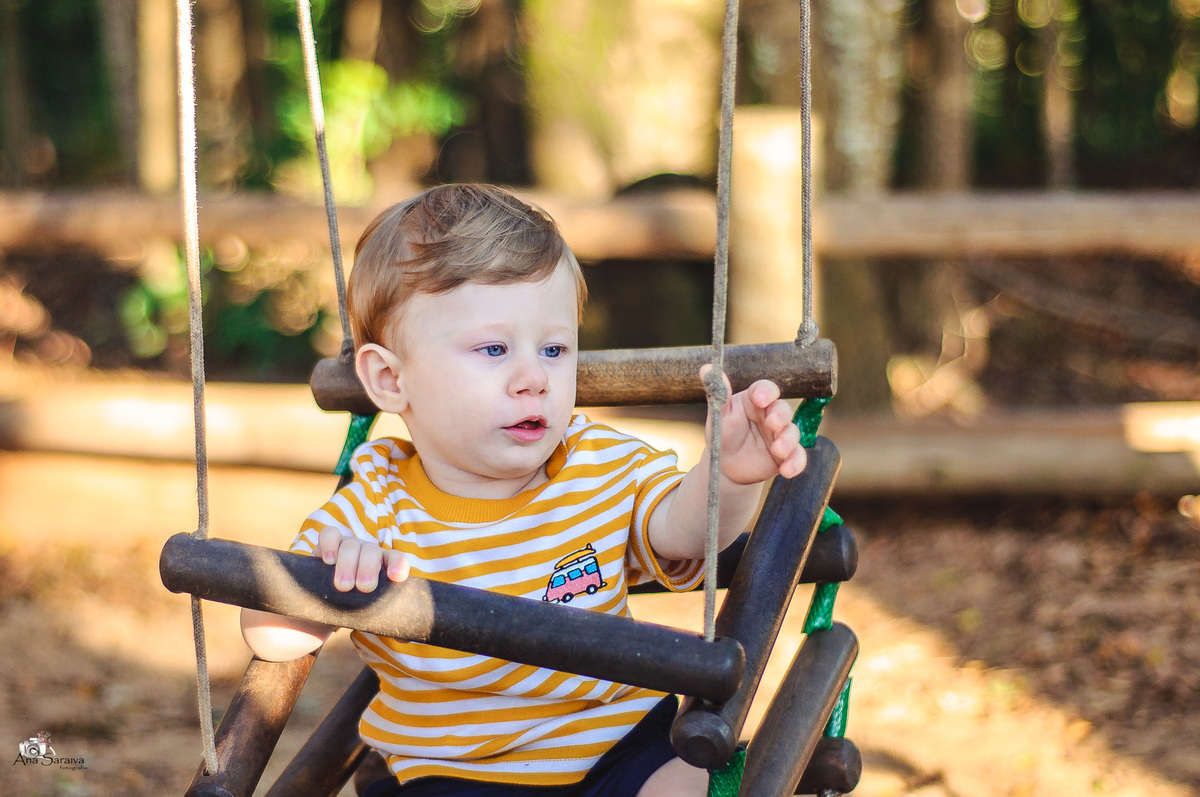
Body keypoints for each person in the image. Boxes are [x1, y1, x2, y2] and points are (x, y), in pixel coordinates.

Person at [240, 184, 806, 797]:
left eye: (554, 348)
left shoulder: (597, 465)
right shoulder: (374, 505)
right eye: (493, 348)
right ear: (390, 378)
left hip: (621, 749)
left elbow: (686, 530)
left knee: (713, 782)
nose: (534, 377)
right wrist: (329, 583)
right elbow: (273, 638)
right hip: (458, 777)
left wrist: (727, 476)